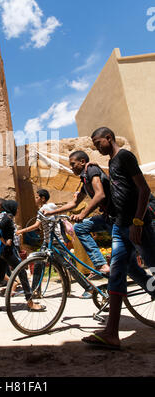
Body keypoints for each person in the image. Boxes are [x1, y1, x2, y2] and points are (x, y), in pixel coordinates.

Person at [82, 127, 155, 350]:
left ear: (109, 138)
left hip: (140, 225)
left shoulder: (124, 156)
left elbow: (143, 189)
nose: (96, 147)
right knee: (116, 274)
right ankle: (112, 333)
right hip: (119, 226)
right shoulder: (113, 163)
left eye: (97, 143)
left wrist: (138, 222)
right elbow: (118, 188)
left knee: (154, 268)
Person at [42, 152, 111, 276]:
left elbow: (100, 195)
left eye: (73, 164)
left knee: (129, 256)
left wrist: (82, 214)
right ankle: (101, 264)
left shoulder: (91, 169)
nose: (71, 167)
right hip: (107, 217)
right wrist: (51, 212)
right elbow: (74, 202)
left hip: (116, 217)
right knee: (79, 227)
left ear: (82, 162)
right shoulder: (85, 180)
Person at [0, 200, 46, 312]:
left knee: (0, 276)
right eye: (16, 208)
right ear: (12, 208)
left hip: (4, 251)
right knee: (21, 271)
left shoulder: (8, 217)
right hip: (7, 250)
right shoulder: (7, 218)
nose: (18, 210)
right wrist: (4, 241)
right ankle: (30, 302)